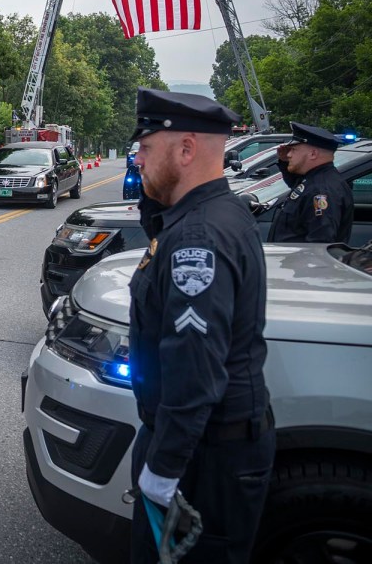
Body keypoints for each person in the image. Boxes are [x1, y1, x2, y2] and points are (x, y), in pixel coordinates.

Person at [127, 88, 273, 563]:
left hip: (202, 461)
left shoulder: (199, 236)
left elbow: (195, 369)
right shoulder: (211, 213)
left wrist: (163, 469)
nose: (138, 158)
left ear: (186, 149)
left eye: (146, 147)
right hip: (205, 447)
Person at [268, 121, 353, 244]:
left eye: (293, 150)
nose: (289, 154)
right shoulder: (315, 179)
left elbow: (319, 244)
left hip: (301, 262)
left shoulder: (321, 191)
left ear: (313, 154)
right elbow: (298, 190)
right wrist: (284, 162)